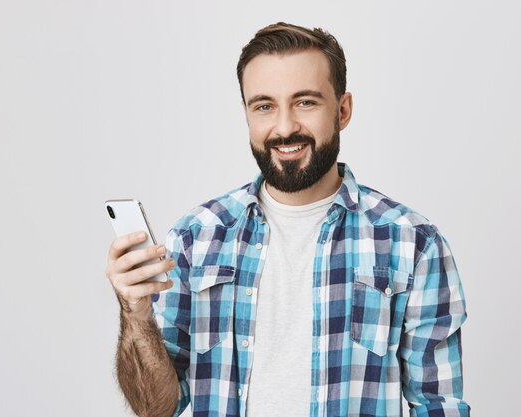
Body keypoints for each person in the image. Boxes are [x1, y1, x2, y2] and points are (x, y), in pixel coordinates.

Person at [106, 22, 470, 417]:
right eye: (264, 106)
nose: (284, 127)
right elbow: (155, 409)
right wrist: (135, 314)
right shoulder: (195, 239)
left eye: (306, 102)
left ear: (343, 110)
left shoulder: (412, 243)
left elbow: (439, 406)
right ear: (247, 114)